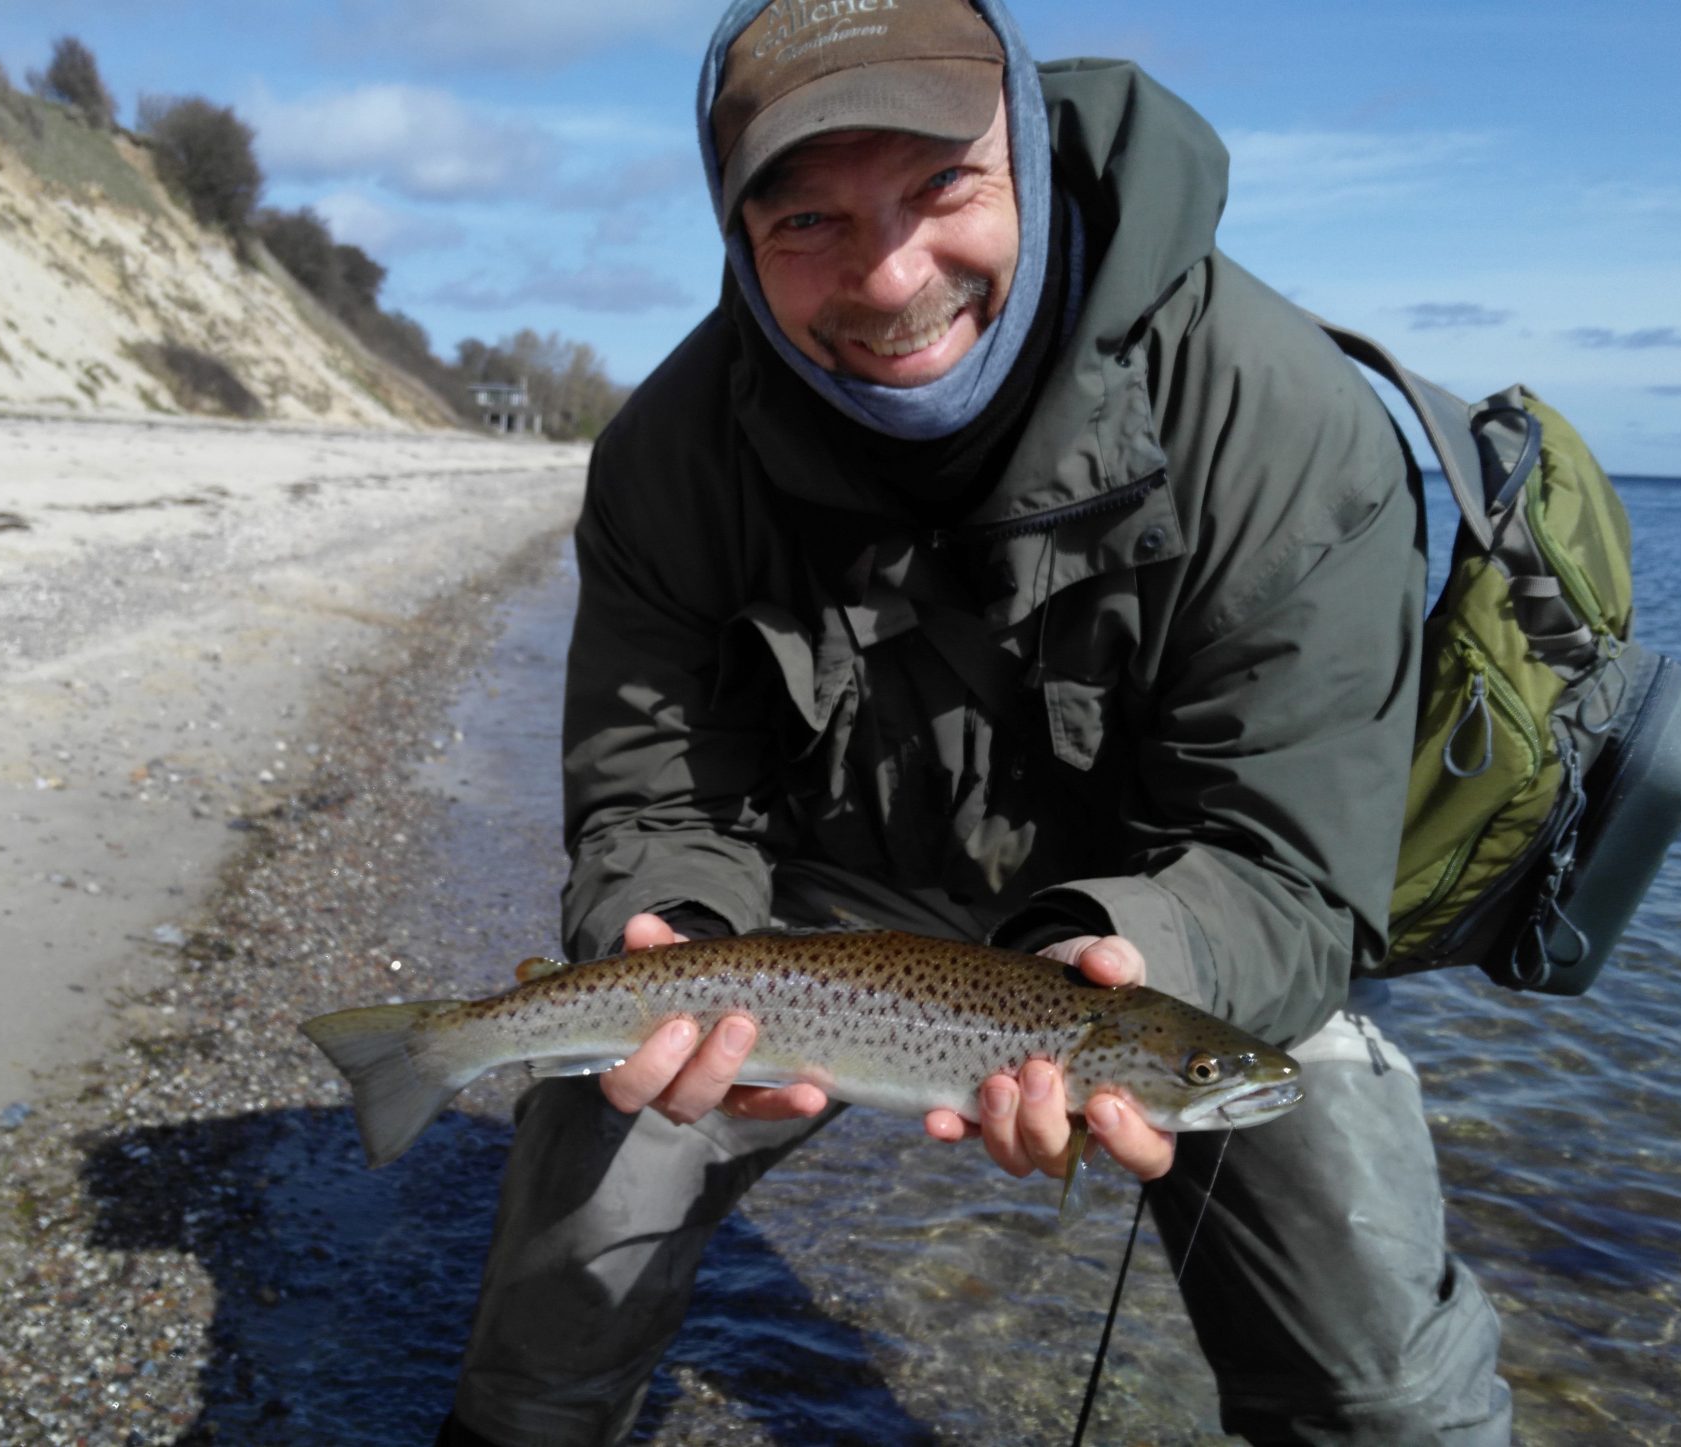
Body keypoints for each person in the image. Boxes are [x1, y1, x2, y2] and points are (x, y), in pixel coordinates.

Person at [438, 0, 1512, 1442]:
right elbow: (653, 803)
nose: (889, 277)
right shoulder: (668, 455)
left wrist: (1128, 963)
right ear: (736, 230)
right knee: (583, 1217)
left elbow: (1295, 864)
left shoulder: (1280, 423)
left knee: (1378, 1378)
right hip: (816, 917)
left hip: (1173, 951)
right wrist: (665, 930)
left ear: (1031, 159)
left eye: (944, 188)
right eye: (808, 220)